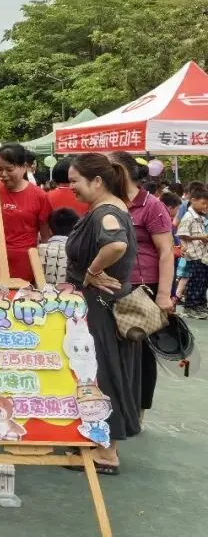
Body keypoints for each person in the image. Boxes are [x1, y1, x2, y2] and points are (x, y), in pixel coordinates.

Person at [65, 153, 141, 471]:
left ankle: (105, 451)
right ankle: (101, 442)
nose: (71, 188)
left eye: (74, 182)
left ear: (97, 181)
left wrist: (93, 271)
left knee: (100, 372)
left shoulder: (106, 212)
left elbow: (116, 244)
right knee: (102, 370)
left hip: (98, 305)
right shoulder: (109, 208)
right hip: (100, 304)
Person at [110, 152, 176, 416]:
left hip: (143, 287)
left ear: (120, 171)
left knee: (142, 351)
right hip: (111, 287)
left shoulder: (152, 206)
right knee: (113, 349)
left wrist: (163, 295)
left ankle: (138, 410)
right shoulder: (109, 202)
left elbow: (166, 251)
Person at [0, 144, 52, 283]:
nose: (3, 174)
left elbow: (45, 237)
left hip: (24, 264)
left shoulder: (39, 196)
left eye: (9, 169)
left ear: (24, 167)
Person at [176, 186, 208, 319]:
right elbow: (182, 234)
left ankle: (200, 304)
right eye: (203, 203)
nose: (205, 206)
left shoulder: (199, 216)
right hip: (193, 256)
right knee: (195, 282)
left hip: (201, 255)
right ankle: (191, 306)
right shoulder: (189, 217)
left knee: (202, 281)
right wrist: (200, 237)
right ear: (193, 200)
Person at [40, 207, 79, 285]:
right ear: (76, 229)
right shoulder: (81, 252)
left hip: (43, 294)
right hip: (74, 295)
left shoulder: (38, 251)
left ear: (50, 230)